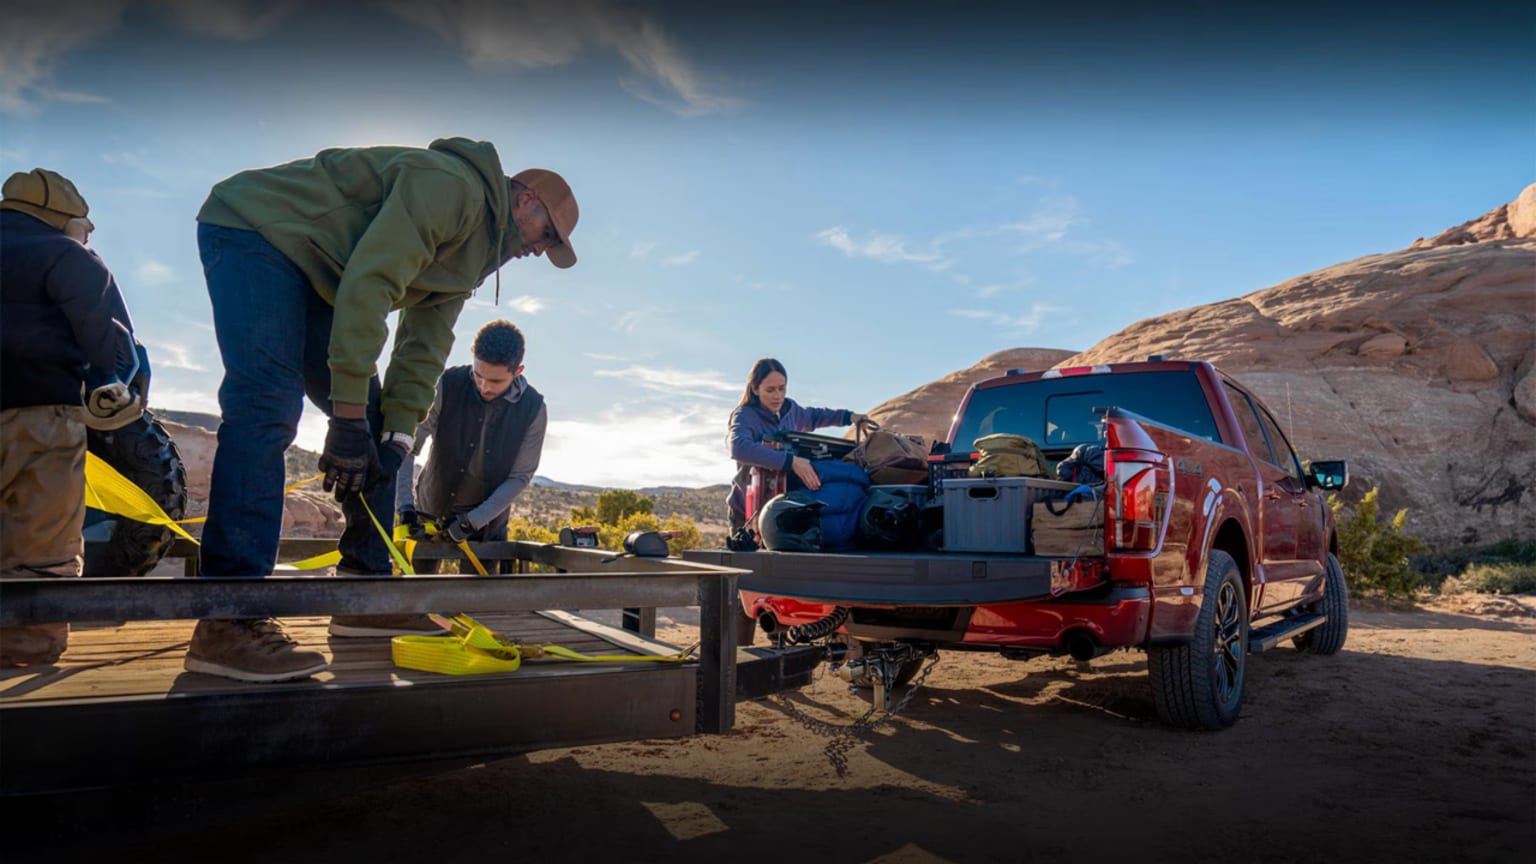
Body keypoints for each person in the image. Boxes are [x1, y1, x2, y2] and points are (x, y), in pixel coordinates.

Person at [187, 138, 579, 683]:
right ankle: (228, 621)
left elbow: (424, 346)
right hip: (259, 231)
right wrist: (343, 416)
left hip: (321, 271)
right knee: (267, 406)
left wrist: (396, 433)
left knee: (376, 430)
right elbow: (369, 284)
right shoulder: (451, 188)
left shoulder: (475, 256)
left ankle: (365, 594)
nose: (543, 249)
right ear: (525, 200)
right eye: (549, 234)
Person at [1, 168, 150, 667]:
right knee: (40, 542)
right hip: (39, 413)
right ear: (65, 218)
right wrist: (117, 384)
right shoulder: (68, 254)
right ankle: (24, 642)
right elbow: (108, 333)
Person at [394, 319, 546, 571]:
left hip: (487, 525)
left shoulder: (534, 408)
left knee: (475, 605)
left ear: (517, 371)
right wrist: (406, 506)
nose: (484, 387)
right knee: (413, 598)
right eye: (478, 376)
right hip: (430, 510)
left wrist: (472, 521)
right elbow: (408, 447)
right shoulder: (446, 384)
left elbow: (520, 476)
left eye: (495, 382)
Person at [725, 358, 868, 532]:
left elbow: (815, 416)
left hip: (781, 508)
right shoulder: (744, 415)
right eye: (770, 390)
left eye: (782, 388)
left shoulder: (790, 410)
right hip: (747, 512)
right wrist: (791, 461)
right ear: (755, 389)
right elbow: (738, 448)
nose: (778, 396)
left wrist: (849, 417)